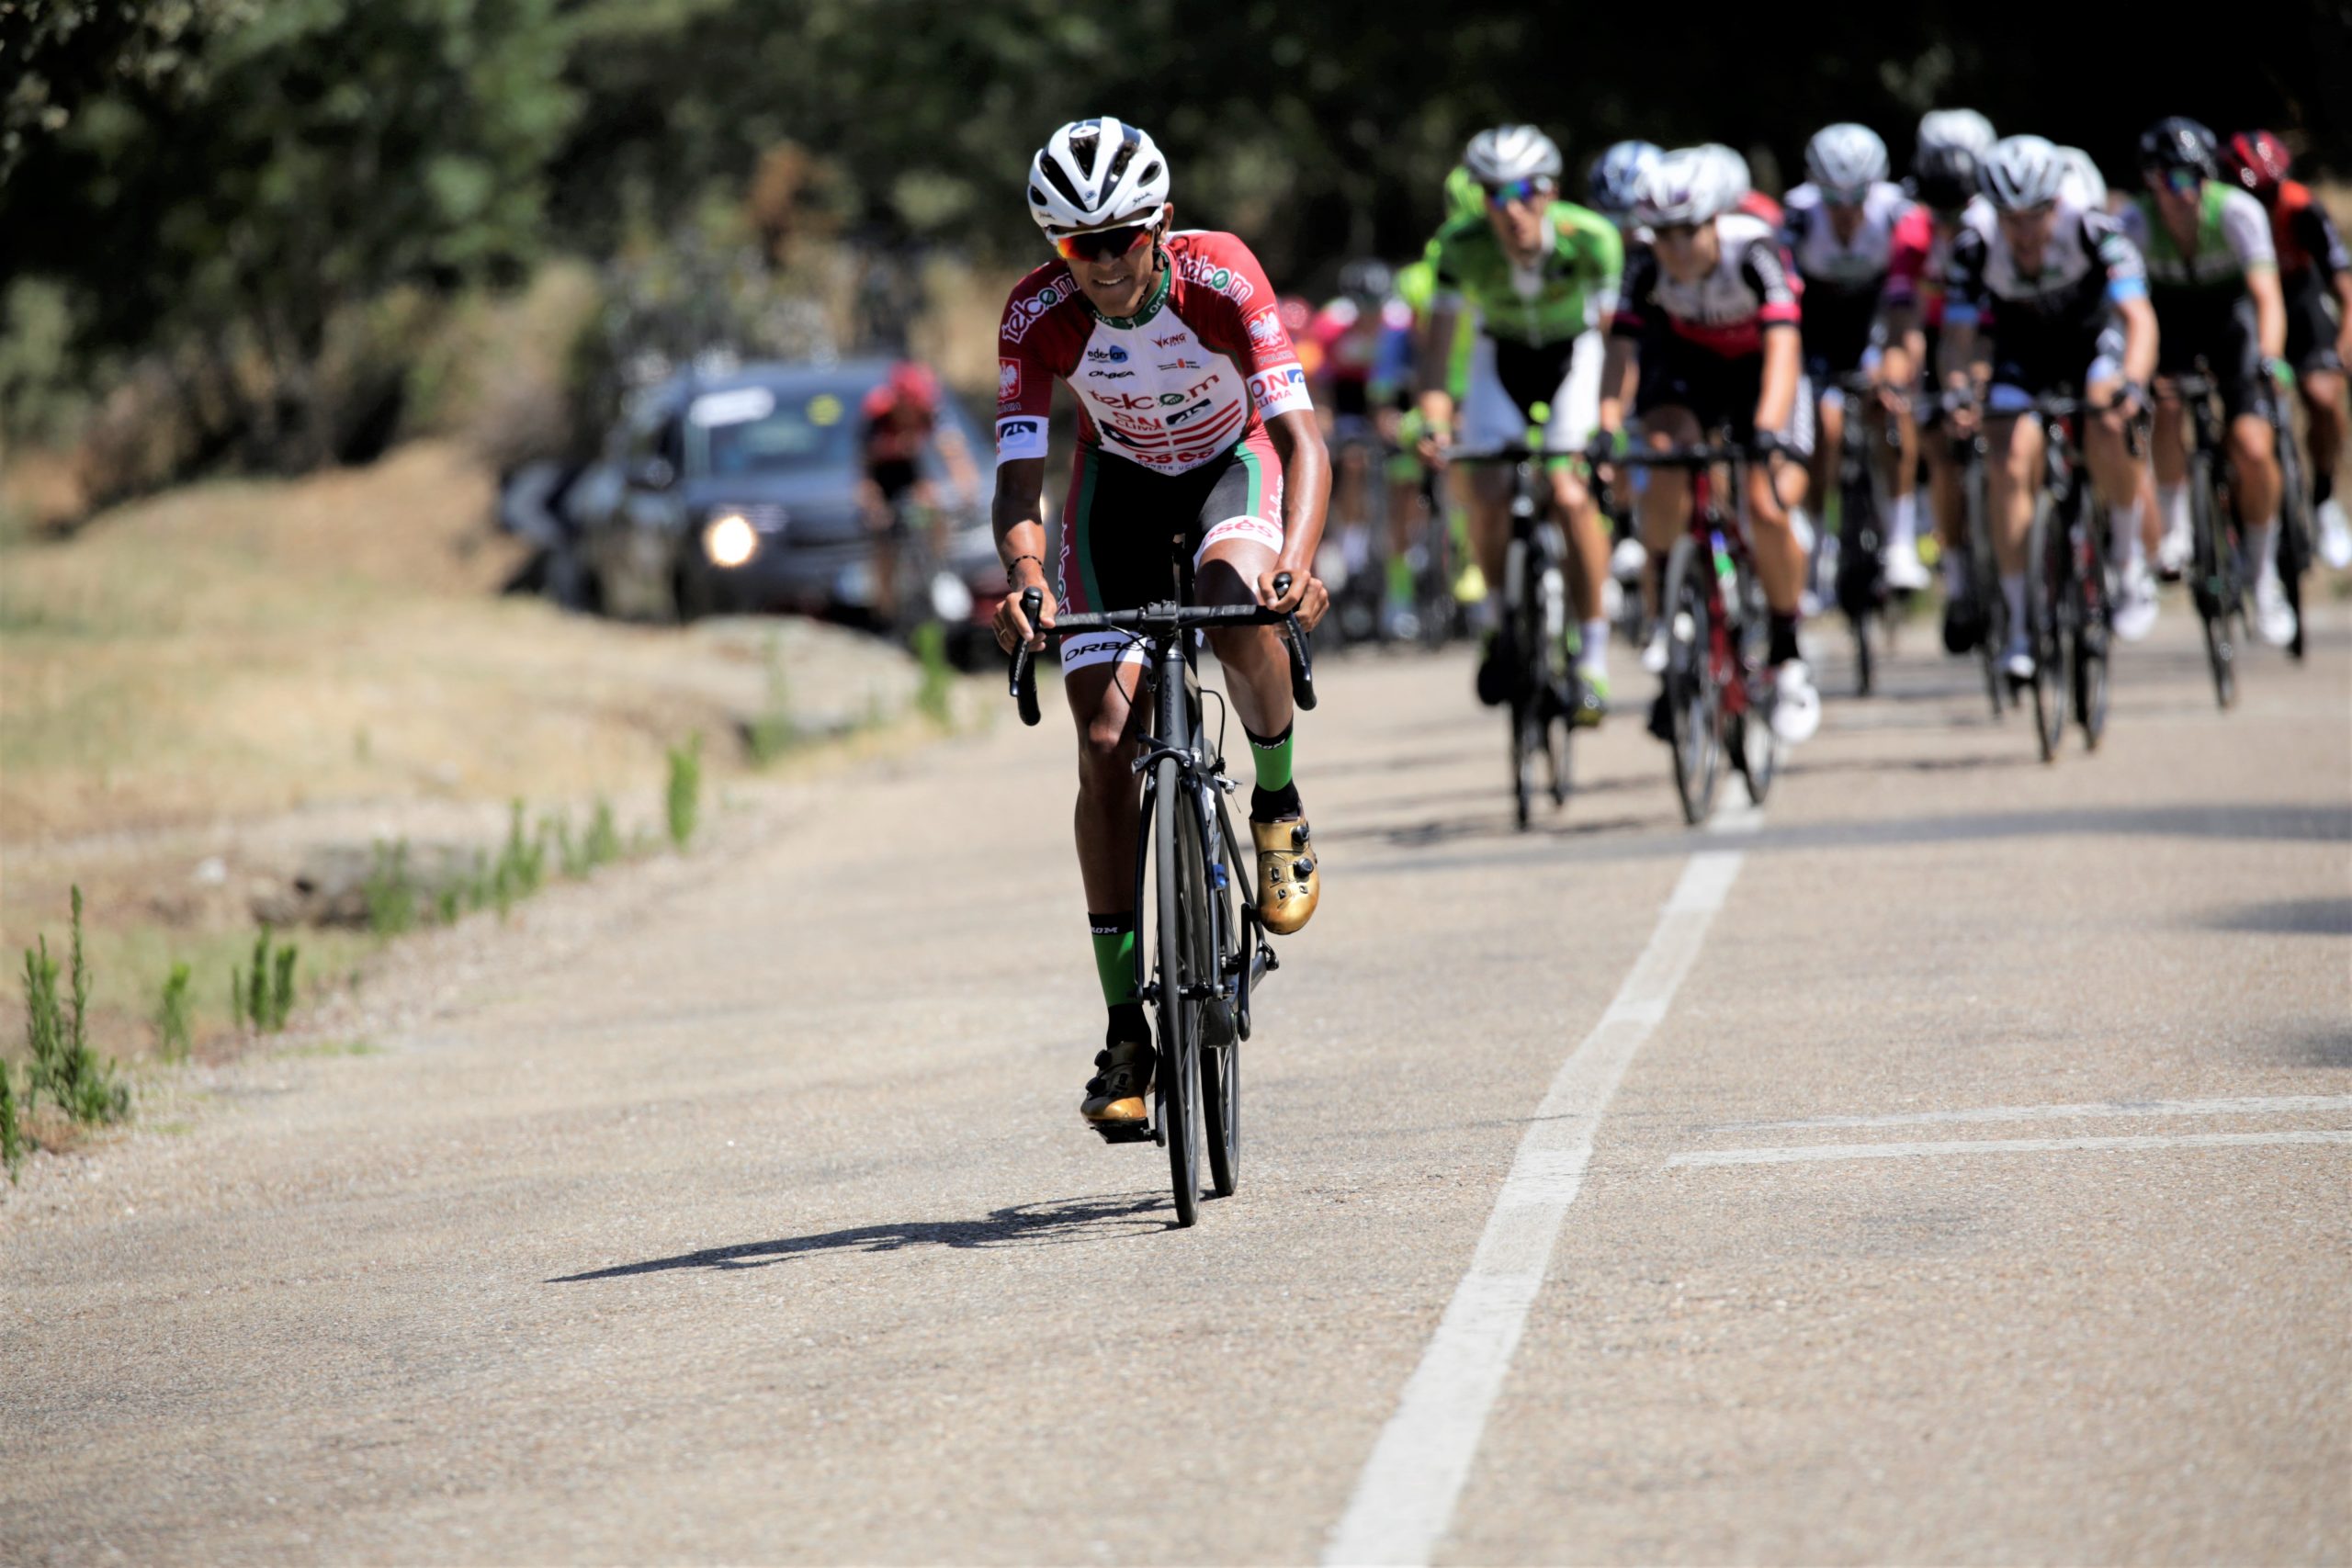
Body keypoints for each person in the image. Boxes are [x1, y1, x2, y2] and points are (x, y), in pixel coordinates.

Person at [988, 118, 1331, 1135]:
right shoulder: (1033, 315)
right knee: (1102, 745)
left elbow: (1302, 442)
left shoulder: (1222, 278)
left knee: (1234, 614)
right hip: (1117, 494)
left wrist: (1298, 566)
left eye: (1119, 238)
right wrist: (1020, 576)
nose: (1098, 263)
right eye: (1072, 245)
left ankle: (1276, 804)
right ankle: (1123, 1029)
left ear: (1160, 227)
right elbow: (1021, 471)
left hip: (1231, 466)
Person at [1596, 146, 1821, 745]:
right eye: (1661, 233)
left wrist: (1769, 429)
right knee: (1664, 452)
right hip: (1689, 368)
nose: (1674, 246)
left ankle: (1787, 649)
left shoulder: (1756, 251)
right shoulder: (1644, 262)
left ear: (1714, 220)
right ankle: (1672, 600)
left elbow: (1783, 349)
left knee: (1767, 503)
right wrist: (1606, 421)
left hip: (1759, 375)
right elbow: (1621, 349)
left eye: (1687, 231)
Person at [1415, 125, 1624, 723]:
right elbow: (1438, 353)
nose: (1513, 209)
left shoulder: (1594, 239)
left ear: (1552, 189)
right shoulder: (1460, 245)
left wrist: (1609, 423)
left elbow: (1616, 346)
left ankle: (1593, 659)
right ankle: (1498, 618)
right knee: (1485, 486)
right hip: (1499, 357)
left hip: (1574, 357)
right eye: (1494, 193)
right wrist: (1432, 420)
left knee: (1567, 489)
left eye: (1527, 190)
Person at [1940, 135, 2160, 677]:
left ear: (2056, 204)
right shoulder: (1973, 246)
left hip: (2093, 344)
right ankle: (2020, 623)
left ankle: (2129, 565)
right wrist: (1957, 389)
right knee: (2007, 460)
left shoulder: (2092, 230)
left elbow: (2139, 318)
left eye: (2035, 215)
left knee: (2106, 413)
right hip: (2022, 353)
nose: (2023, 231)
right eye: (2009, 218)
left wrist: (2133, 381)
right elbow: (1958, 337)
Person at [2121, 117, 2296, 647]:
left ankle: (2263, 576)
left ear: (2206, 178)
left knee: (2251, 445)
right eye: (2164, 180)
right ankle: (2174, 529)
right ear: (2149, 183)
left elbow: (2267, 296)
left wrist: (2270, 359)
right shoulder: (2136, 222)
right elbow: (2126, 307)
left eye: (2190, 179)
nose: (2180, 192)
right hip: (2169, 322)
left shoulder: (2236, 211)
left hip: (2230, 323)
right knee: (2167, 401)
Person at [1784, 122, 1935, 594]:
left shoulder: (1899, 215)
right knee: (1822, 428)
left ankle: (1900, 542)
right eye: (1834, 199)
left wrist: (1898, 362)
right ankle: (1818, 545)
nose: (1847, 212)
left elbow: (1907, 304)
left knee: (1892, 405)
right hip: (1817, 327)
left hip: (1877, 318)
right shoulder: (1797, 216)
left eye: (1857, 199)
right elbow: (1782, 304)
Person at [2221, 129, 2352, 568]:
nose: (2261, 207)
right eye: (2250, 195)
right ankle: (2235, 518)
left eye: (2269, 194)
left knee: (2323, 395)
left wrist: (2345, 344)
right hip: (2244, 304)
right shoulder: (2221, 215)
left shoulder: (2301, 207)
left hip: (2298, 300)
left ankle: (2324, 497)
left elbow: (2344, 285)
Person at [860, 360, 979, 625]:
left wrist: (967, 488)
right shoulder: (877, 414)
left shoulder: (932, 411)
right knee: (884, 544)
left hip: (914, 474)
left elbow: (954, 452)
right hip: (883, 479)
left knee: (932, 502)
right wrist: (874, 505)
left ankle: (939, 567)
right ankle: (885, 613)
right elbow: (865, 474)